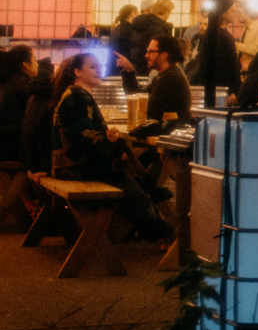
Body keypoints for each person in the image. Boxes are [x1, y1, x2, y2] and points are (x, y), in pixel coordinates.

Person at [51, 53, 171, 241]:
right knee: (133, 192)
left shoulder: (74, 94)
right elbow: (82, 136)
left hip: (71, 165)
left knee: (130, 169)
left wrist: (107, 140)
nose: (99, 70)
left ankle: (148, 197)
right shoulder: (78, 97)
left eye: (100, 66)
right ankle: (169, 236)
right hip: (78, 168)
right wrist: (106, 140)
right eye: (92, 67)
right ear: (77, 72)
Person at [131, 34, 190, 138]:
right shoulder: (164, 76)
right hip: (164, 136)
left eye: (150, 52)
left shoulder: (170, 79)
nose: (146, 55)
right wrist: (129, 72)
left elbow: (151, 112)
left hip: (169, 142)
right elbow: (139, 97)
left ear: (164, 55)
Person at [19, 59, 54, 174]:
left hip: (28, 160)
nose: (37, 63)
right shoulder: (22, 88)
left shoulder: (34, 92)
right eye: (34, 60)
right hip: (27, 160)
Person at [0, 45, 32, 164]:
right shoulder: (26, 86)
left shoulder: (7, 83)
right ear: (25, 64)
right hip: (14, 147)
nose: (38, 64)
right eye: (34, 60)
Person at [129, 0, 174, 73]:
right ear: (166, 12)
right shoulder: (159, 28)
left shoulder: (141, 23)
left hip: (137, 63)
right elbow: (159, 50)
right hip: (151, 66)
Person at [110, 5, 141, 92]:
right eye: (137, 13)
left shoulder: (116, 30)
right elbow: (130, 51)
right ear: (132, 14)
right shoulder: (131, 30)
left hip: (114, 69)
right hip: (125, 69)